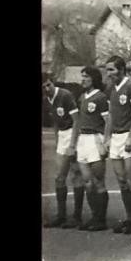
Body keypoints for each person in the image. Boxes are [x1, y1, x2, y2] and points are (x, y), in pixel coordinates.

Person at [102, 56, 131, 234]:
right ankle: (129, 219)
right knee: (121, 181)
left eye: (111, 69)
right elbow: (111, 115)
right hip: (116, 137)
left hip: (128, 136)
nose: (108, 73)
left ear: (121, 69)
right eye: (107, 70)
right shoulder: (112, 89)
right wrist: (107, 137)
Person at [68, 66, 111, 231]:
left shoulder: (100, 97)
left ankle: (101, 220)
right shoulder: (81, 97)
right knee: (87, 181)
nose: (83, 79)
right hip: (82, 139)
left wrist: (105, 142)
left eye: (86, 76)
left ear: (93, 78)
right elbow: (78, 121)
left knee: (98, 180)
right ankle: (94, 216)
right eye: (82, 76)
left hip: (95, 139)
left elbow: (108, 121)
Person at [42, 73, 88, 229]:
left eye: (48, 84)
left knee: (75, 174)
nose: (46, 88)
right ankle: (62, 215)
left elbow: (77, 121)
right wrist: (57, 141)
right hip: (62, 135)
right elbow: (55, 121)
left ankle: (77, 216)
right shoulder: (47, 100)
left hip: (73, 133)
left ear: (52, 82)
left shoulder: (65, 95)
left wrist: (73, 145)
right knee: (59, 177)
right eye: (43, 87)